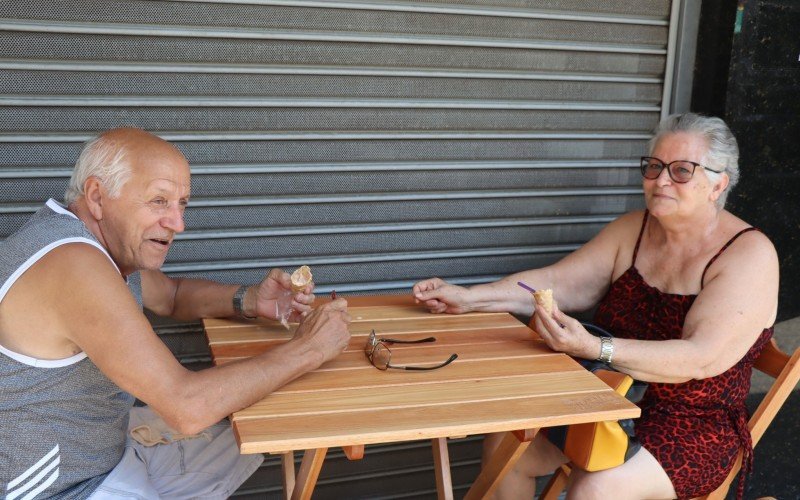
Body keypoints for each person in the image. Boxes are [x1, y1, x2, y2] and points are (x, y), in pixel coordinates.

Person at [413, 113, 778, 499]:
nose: (661, 180)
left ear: (718, 184)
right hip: (607, 401)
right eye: (653, 167)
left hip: (690, 424)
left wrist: (593, 348)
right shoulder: (634, 229)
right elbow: (558, 283)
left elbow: (699, 359)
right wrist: (471, 297)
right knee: (509, 441)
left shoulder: (748, 256)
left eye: (682, 170)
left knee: (597, 486)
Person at [0, 128, 351, 499]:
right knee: (234, 419)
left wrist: (252, 300)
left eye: (182, 203)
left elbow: (170, 295)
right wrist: (310, 348)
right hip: (62, 487)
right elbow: (187, 407)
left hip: (110, 449)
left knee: (241, 437)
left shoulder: (96, 244)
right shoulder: (73, 264)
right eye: (158, 201)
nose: (177, 223)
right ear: (97, 197)